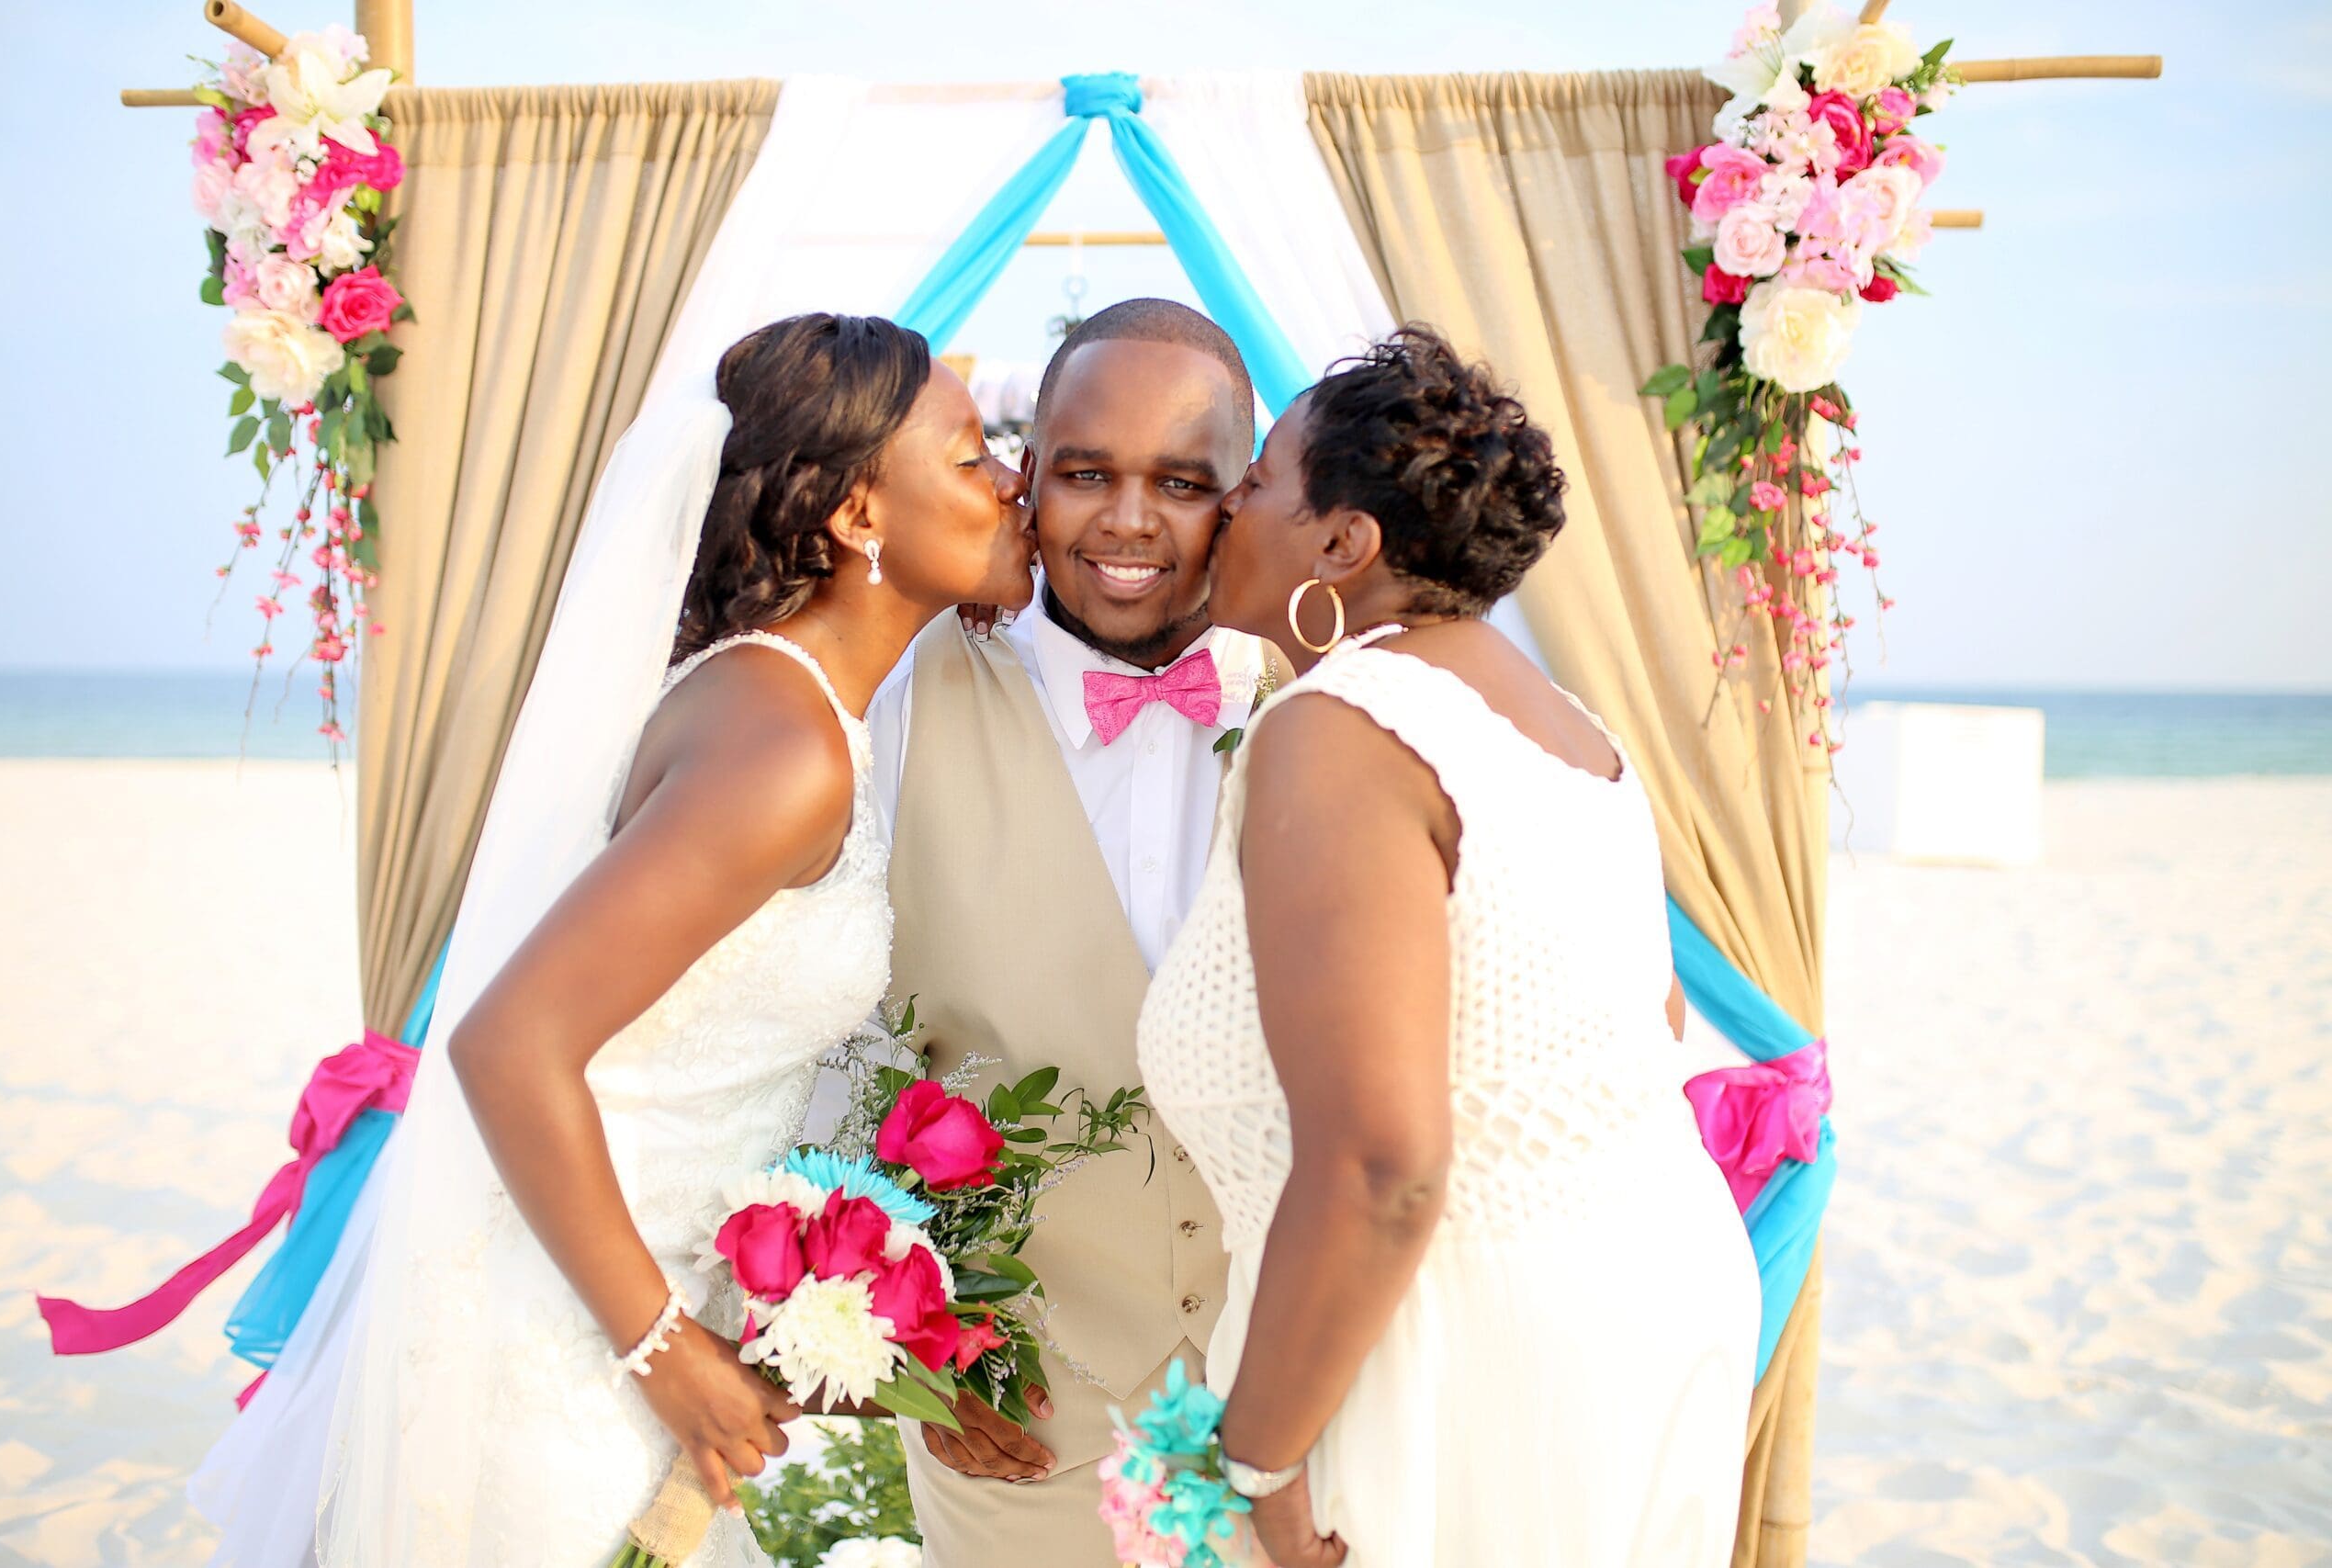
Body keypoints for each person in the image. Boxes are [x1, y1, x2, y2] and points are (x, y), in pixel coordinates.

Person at [196, 312, 1035, 1568]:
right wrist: (662, 1348)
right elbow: (511, 1041)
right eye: (972, 456)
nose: (1011, 480)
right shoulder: (784, 748)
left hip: (604, 1317)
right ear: (861, 517)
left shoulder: (777, 703)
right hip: (569, 1357)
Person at [1138, 328, 1761, 1567]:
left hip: (1458, 1354)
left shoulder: (1342, 725)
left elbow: (1383, 1164)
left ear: (1343, 544)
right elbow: (1654, 1031)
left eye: (1255, 479)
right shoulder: (1561, 723)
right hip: (1639, 1305)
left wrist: (1253, 1458)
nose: (1222, 513)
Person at [867, 299, 1289, 1567]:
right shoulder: (897, 692)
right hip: (1015, 1424)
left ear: (1245, 495)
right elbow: (817, 1031)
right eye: (1086, 474)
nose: (1125, 521)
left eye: (1181, 481)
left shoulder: (1328, 703)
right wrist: (904, 1344)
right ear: (1025, 478)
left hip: (1302, 1399)